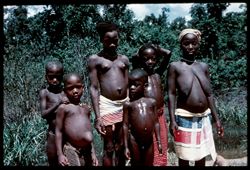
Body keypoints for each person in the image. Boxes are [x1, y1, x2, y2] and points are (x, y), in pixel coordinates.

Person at [167, 28, 224, 166]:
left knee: (201, 155)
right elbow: (171, 93)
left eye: (194, 43)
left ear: (198, 44)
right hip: (184, 116)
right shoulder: (175, 67)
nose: (190, 47)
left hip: (204, 116)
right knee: (184, 156)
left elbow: (209, 94)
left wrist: (217, 120)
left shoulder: (204, 66)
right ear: (181, 45)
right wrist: (172, 119)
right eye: (187, 43)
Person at [88, 21, 129, 166]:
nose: (112, 44)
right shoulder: (95, 60)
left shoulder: (124, 59)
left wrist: (129, 104)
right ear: (101, 40)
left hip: (124, 104)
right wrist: (98, 117)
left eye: (115, 40)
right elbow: (93, 88)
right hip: (107, 105)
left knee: (122, 145)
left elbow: (128, 84)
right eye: (108, 41)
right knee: (109, 147)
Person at [131, 42, 171, 166]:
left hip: (160, 114)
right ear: (141, 60)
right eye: (146, 59)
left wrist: (157, 49)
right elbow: (134, 58)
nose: (150, 61)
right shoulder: (139, 76)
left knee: (162, 144)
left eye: (153, 59)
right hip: (147, 116)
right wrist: (141, 52)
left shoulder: (158, 74)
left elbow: (168, 54)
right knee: (149, 146)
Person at [55, 73, 98, 166]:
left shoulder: (86, 108)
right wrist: (60, 154)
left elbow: (89, 131)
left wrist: (93, 153)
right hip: (71, 149)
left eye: (78, 87)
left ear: (83, 87)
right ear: (65, 90)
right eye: (70, 88)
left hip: (87, 149)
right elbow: (58, 131)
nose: (75, 91)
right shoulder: (64, 108)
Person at [123, 68, 162, 166]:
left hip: (149, 140)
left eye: (135, 85)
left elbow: (156, 123)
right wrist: (126, 147)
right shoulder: (128, 105)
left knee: (149, 163)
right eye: (130, 84)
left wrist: (158, 141)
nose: (132, 87)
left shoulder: (152, 103)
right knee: (136, 163)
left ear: (145, 86)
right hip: (134, 140)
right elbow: (125, 125)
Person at [39, 60, 69, 166]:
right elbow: (43, 114)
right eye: (51, 77)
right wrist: (58, 104)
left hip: (67, 135)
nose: (55, 80)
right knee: (53, 162)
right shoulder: (45, 93)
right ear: (46, 76)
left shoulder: (65, 92)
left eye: (58, 77)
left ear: (62, 76)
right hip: (53, 134)